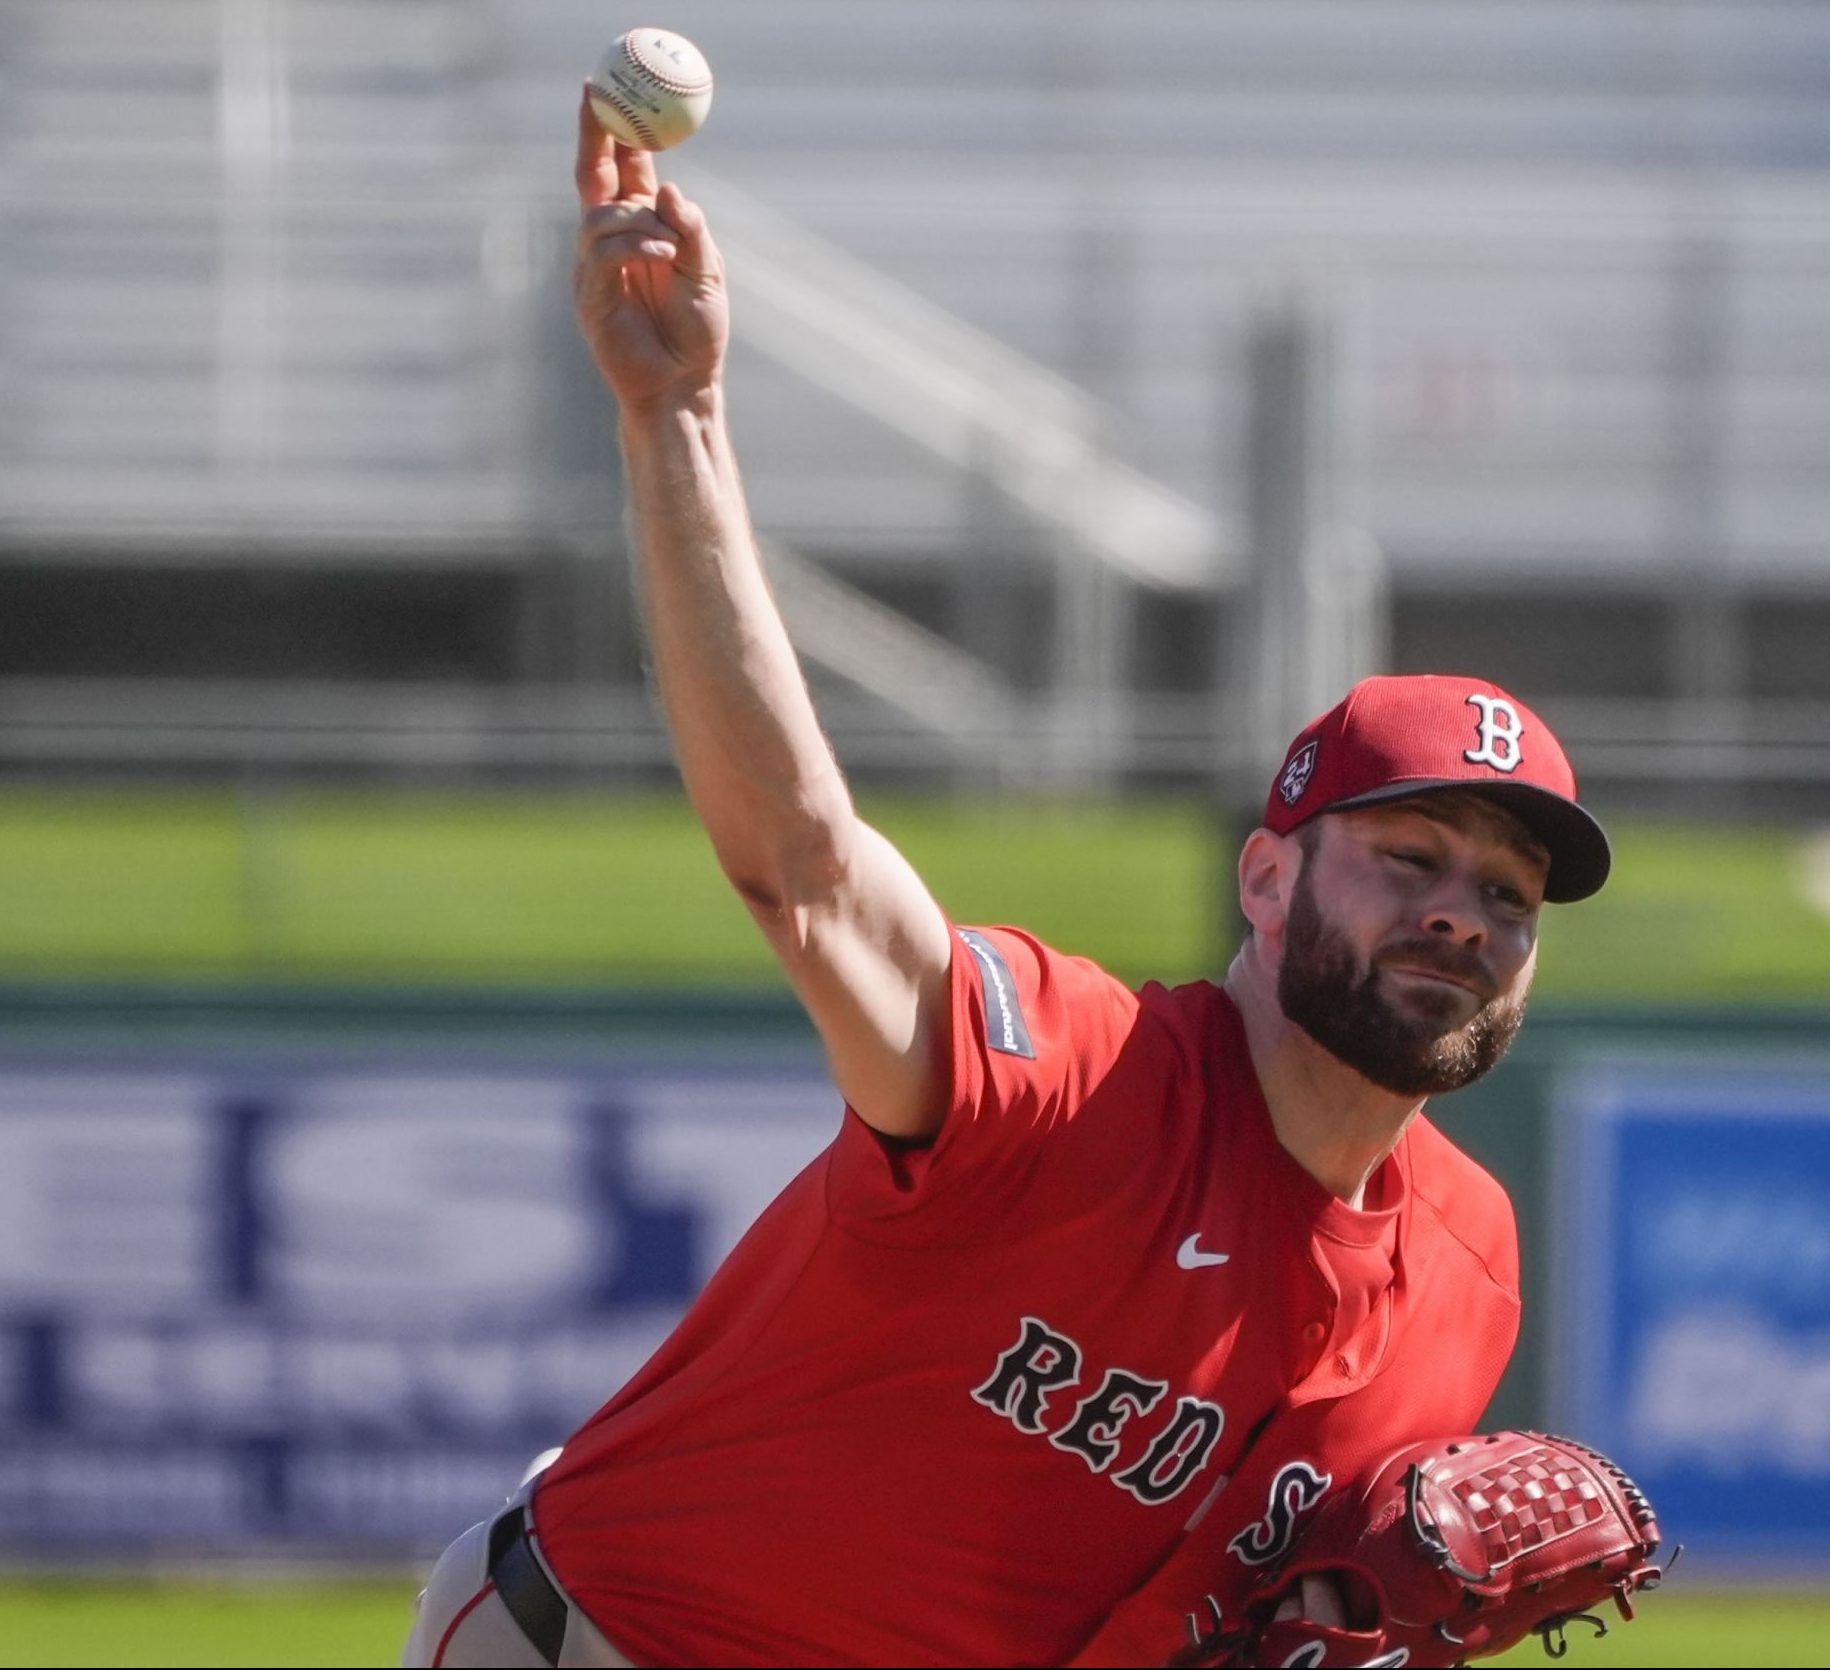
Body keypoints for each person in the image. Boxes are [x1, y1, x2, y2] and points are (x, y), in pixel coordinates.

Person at [399, 95, 1613, 1670]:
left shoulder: (1468, 1268)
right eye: (1407, 856)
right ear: (1264, 878)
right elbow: (808, 871)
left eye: (1511, 893)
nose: (1463, 911)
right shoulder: (1069, 1071)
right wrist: (677, 417)